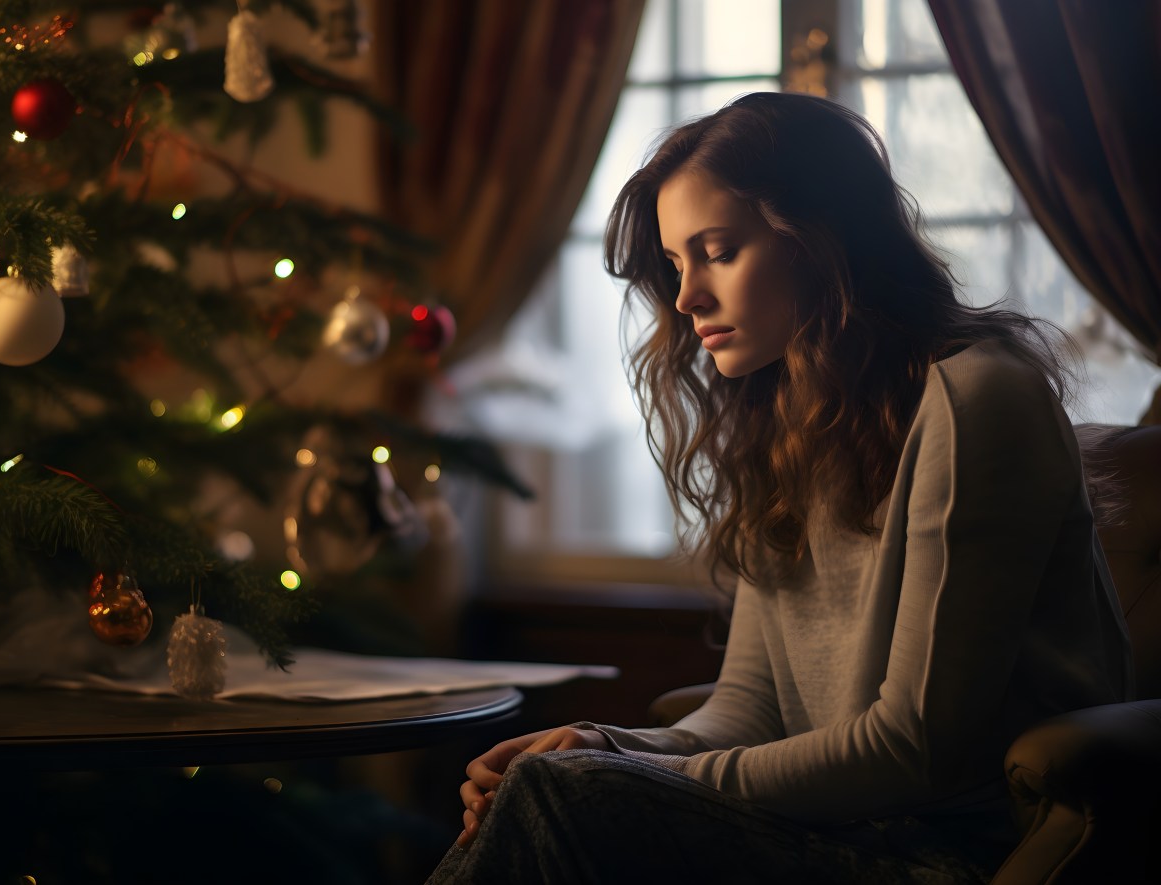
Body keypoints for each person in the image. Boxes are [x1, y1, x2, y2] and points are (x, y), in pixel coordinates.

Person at [426, 92, 1134, 884]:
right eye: (675, 263)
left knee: (563, 798)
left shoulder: (977, 400)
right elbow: (750, 710)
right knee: (552, 783)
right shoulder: (782, 428)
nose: (687, 295)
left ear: (822, 239)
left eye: (718, 250)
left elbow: (916, 749)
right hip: (830, 833)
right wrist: (608, 744)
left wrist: (623, 783)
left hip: (946, 854)